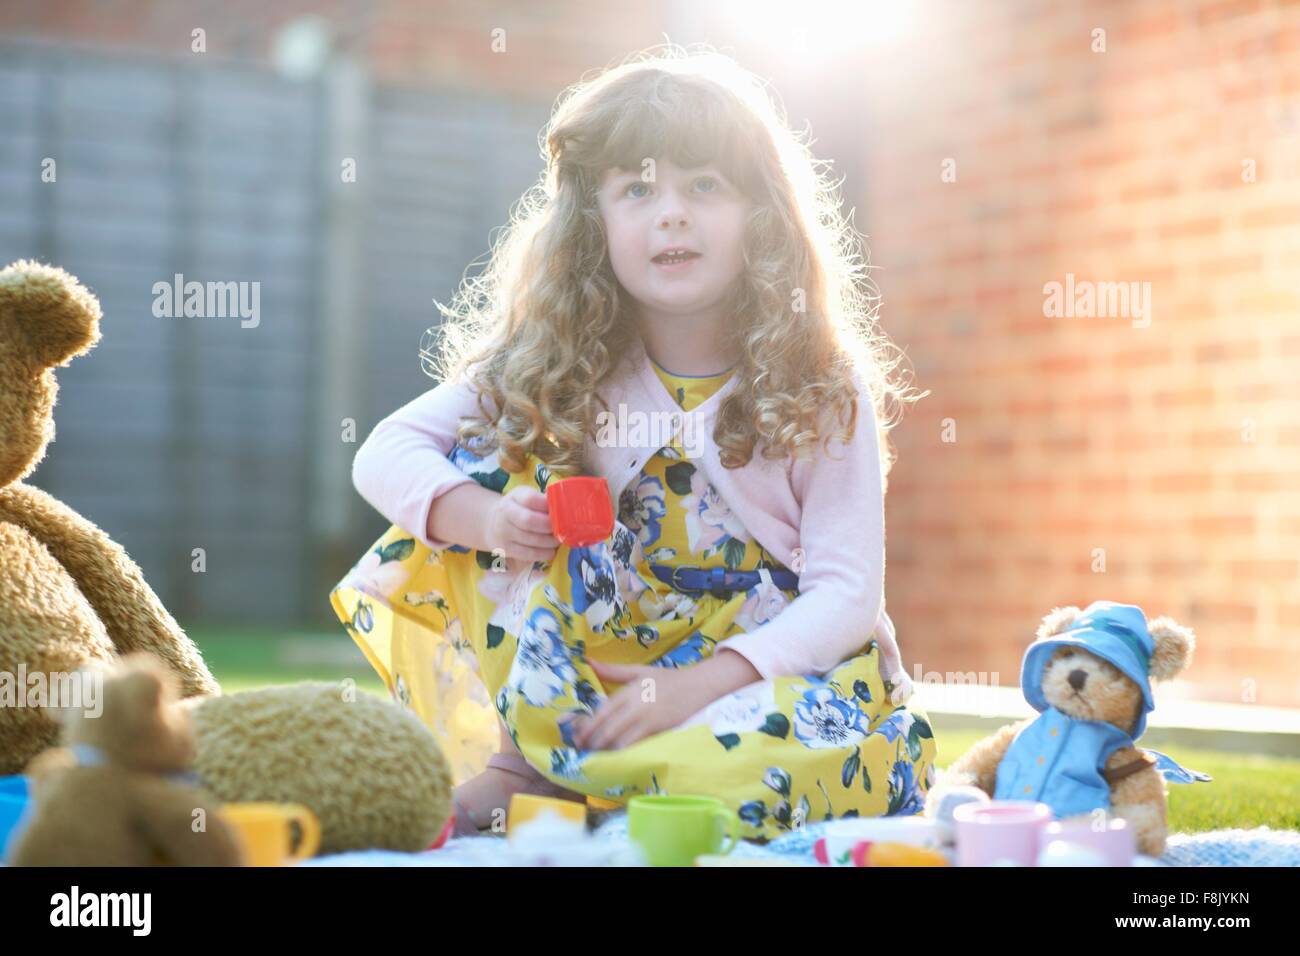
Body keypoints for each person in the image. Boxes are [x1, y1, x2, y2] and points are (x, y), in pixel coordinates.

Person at [331, 46, 936, 842]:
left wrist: (702, 688)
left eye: (704, 185)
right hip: (603, 668)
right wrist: (486, 520)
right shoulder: (556, 358)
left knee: (756, 771)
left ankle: (604, 784)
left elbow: (848, 594)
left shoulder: (819, 382)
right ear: (594, 225)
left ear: (763, 215)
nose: (671, 213)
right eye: (637, 189)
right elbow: (384, 450)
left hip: (765, 675)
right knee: (481, 478)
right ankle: (525, 766)